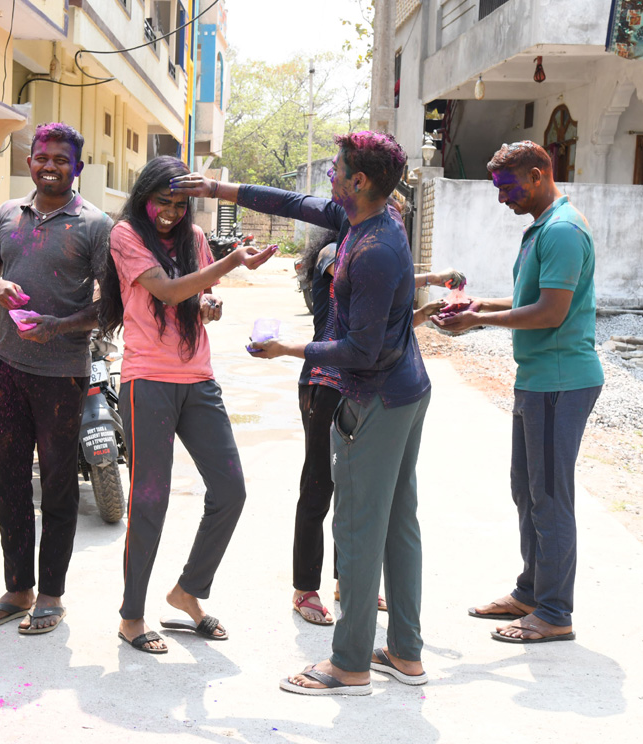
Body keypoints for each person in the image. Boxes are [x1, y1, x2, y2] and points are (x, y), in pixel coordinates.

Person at [169, 175, 460, 627]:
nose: (389, 226)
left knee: (354, 488)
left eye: (395, 218)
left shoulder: (378, 250)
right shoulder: (335, 255)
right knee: (320, 484)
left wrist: (426, 302)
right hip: (325, 381)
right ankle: (306, 588)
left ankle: (350, 578)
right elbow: (376, 274)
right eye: (386, 216)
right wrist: (216, 188)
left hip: (361, 383)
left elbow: (387, 305)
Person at [240, 132, 431, 695]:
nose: (328, 175)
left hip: (376, 398)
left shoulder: (373, 249)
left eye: (336, 168)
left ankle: (349, 665)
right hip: (405, 390)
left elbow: (359, 351)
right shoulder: (368, 218)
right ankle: (405, 653)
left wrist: (289, 349)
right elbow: (292, 203)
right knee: (398, 521)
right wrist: (222, 186)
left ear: (360, 181)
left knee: (357, 524)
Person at [97, 156, 277, 654]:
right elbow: (169, 289)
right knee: (149, 502)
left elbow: (192, 299)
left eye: (181, 205)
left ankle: (187, 591)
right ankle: (131, 616)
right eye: (163, 203)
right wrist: (231, 262)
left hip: (198, 379)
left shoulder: (194, 239)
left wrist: (211, 305)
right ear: (143, 198)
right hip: (147, 381)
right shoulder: (126, 236)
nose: (172, 213)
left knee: (230, 491)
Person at [434, 141, 602, 644]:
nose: (502, 198)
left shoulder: (564, 231)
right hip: (537, 378)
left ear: (538, 173)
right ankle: (532, 591)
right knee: (526, 490)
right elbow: (536, 297)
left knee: (549, 497)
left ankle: (554, 612)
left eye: (508, 188)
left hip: (560, 379)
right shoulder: (542, 228)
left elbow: (552, 312)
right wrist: (484, 302)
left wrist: (478, 320)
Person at [0, 123, 113, 635]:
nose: (49, 165)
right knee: (6, 481)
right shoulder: (7, 215)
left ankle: (51, 593)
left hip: (62, 376)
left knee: (57, 485)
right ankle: (17, 588)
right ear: (29, 160)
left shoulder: (96, 225)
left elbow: (110, 307)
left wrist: (57, 326)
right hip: (5, 367)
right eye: (40, 157)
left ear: (77, 165)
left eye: (60, 158)